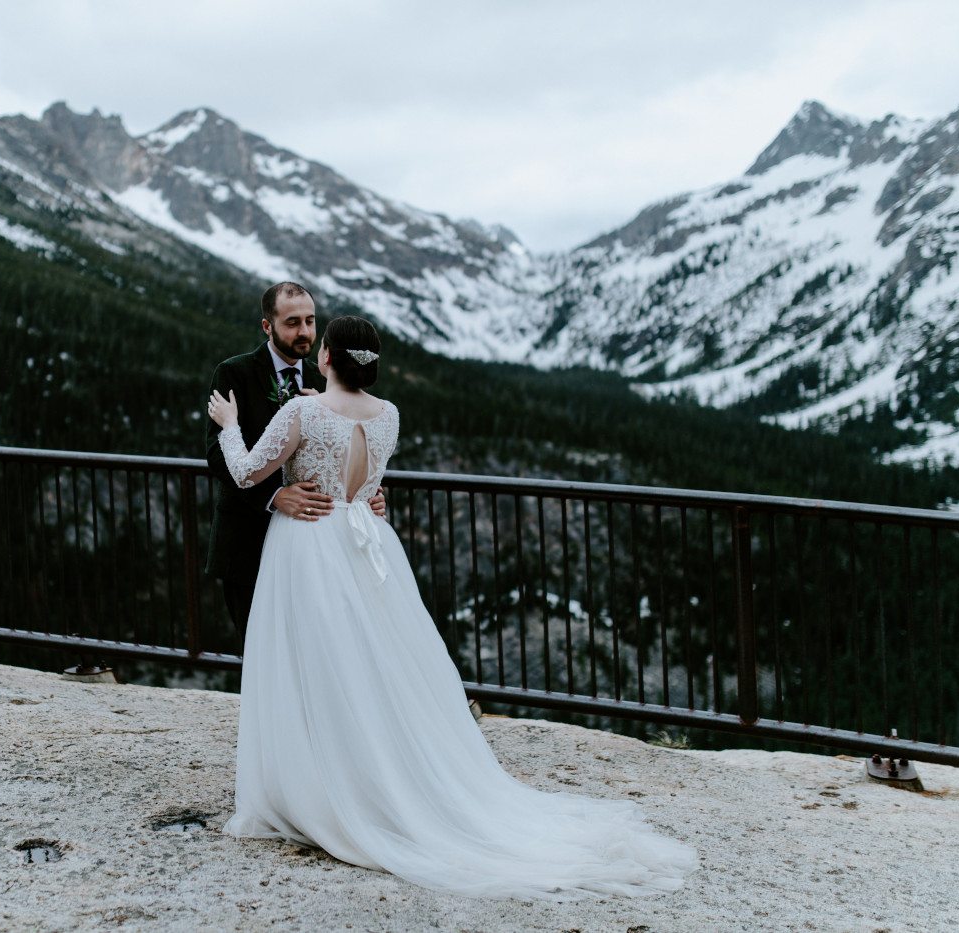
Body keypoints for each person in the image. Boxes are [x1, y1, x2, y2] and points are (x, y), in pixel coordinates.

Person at [206, 315, 698, 900]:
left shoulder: (303, 412)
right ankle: (377, 776)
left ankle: (322, 787)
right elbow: (365, 481)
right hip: (368, 543)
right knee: (376, 666)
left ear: (328, 356)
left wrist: (229, 424)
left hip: (312, 544)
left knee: (316, 665)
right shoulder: (386, 414)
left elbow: (244, 473)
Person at [204, 283, 382, 634]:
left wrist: (367, 493)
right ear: (267, 326)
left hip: (317, 546)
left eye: (311, 321)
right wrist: (273, 497)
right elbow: (215, 454)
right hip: (248, 539)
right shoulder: (234, 373)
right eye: (292, 322)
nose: (305, 332)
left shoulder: (328, 376)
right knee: (258, 649)